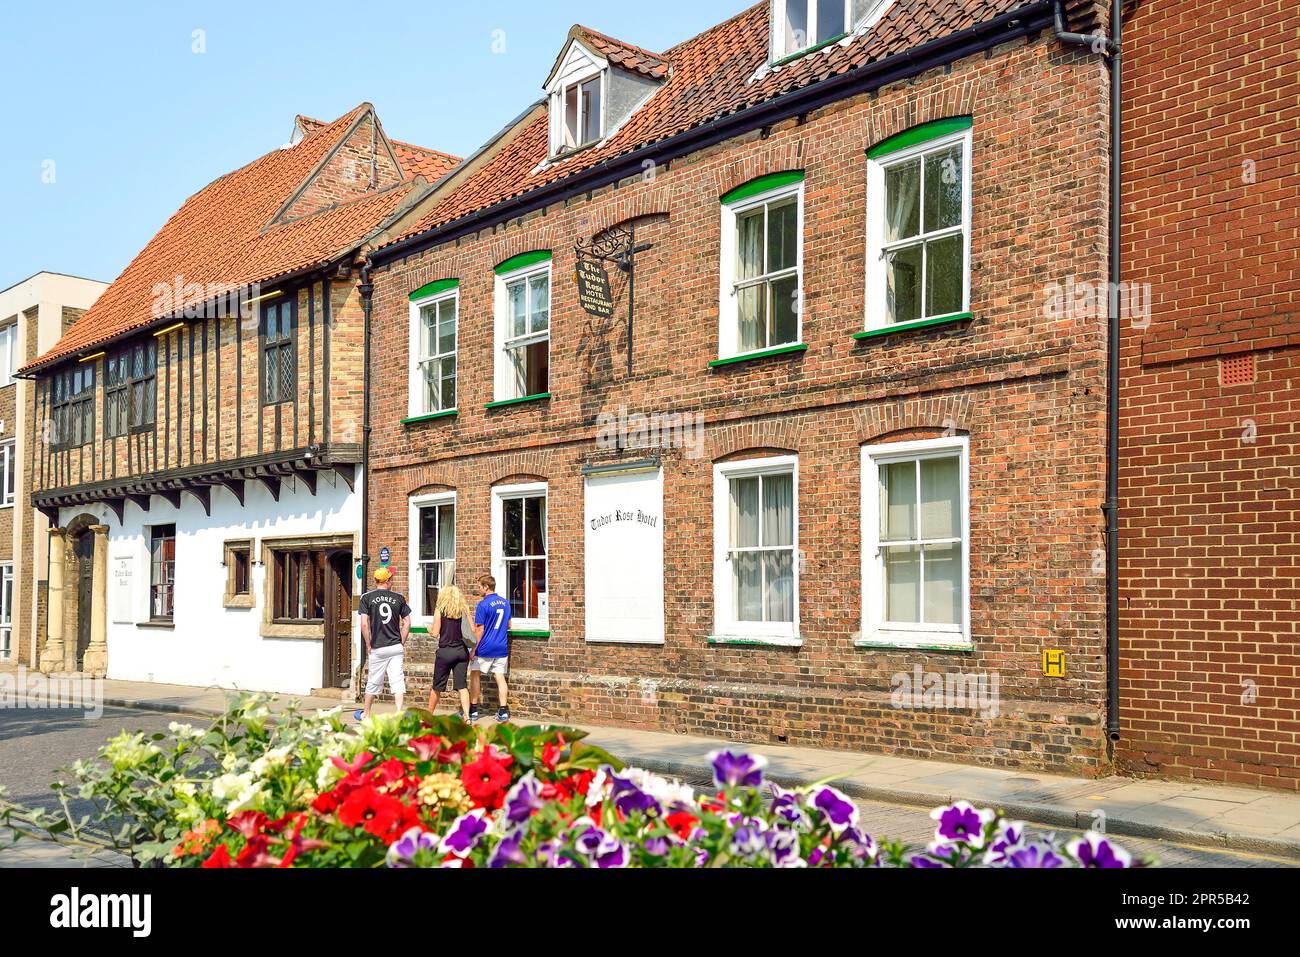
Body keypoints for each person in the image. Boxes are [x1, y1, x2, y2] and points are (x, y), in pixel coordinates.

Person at [357, 566, 411, 721]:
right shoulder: (399, 598)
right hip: (395, 646)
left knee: (373, 680)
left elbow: (364, 624)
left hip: (378, 646)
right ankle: (399, 712)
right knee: (397, 680)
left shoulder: (366, 598)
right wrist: (401, 642)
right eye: (391, 578)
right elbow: (407, 623)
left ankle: (366, 714)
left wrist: (368, 643)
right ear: (387, 580)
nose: (392, 580)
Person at [426, 584, 474, 721]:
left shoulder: (440, 611)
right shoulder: (464, 611)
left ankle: (428, 715)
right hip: (461, 652)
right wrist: (473, 650)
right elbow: (472, 632)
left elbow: (435, 633)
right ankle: (466, 716)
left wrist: (429, 628)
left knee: (437, 687)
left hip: (445, 652)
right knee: (462, 686)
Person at [469, 573, 511, 723]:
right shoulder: (506, 603)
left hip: (486, 647)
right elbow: (509, 625)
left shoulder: (483, 604)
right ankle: (503, 711)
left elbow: (479, 630)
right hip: (502, 647)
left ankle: (473, 710)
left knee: (475, 674)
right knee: (500, 677)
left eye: (479, 587)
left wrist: (474, 649)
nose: (478, 589)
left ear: (486, 587)